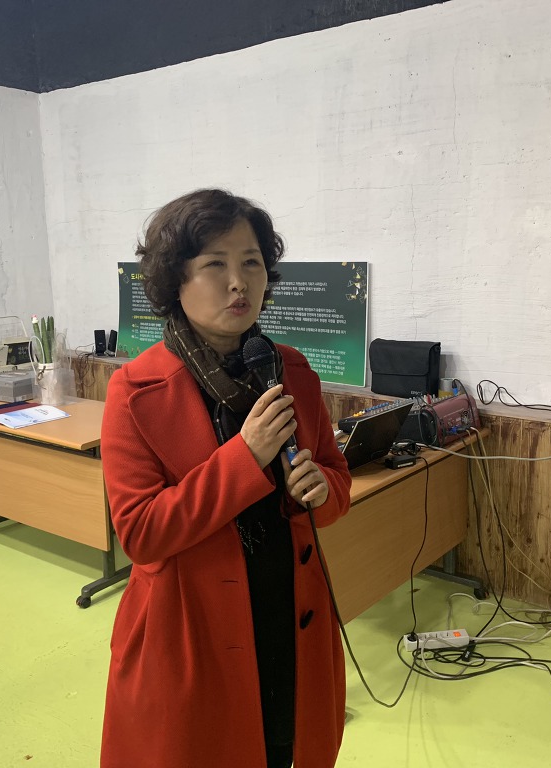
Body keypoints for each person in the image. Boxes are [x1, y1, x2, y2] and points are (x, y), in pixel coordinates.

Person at [100, 189, 352, 768]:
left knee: (286, 747)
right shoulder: (136, 391)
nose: (239, 283)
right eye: (215, 264)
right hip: (191, 633)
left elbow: (335, 482)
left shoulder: (292, 371)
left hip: (289, 617)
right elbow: (140, 533)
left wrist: (321, 490)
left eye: (252, 263)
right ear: (175, 279)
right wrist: (245, 457)